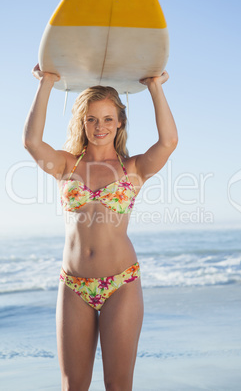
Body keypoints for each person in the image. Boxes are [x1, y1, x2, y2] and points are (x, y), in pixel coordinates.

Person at [23, 64, 178, 391]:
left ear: (120, 122)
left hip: (120, 284)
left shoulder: (132, 168)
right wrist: (47, 83)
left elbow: (168, 142)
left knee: (118, 385)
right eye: (91, 119)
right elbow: (32, 142)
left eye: (108, 118)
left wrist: (154, 87)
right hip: (74, 285)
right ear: (82, 122)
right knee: (73, 385)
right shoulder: (67, 164)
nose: (100, 126)